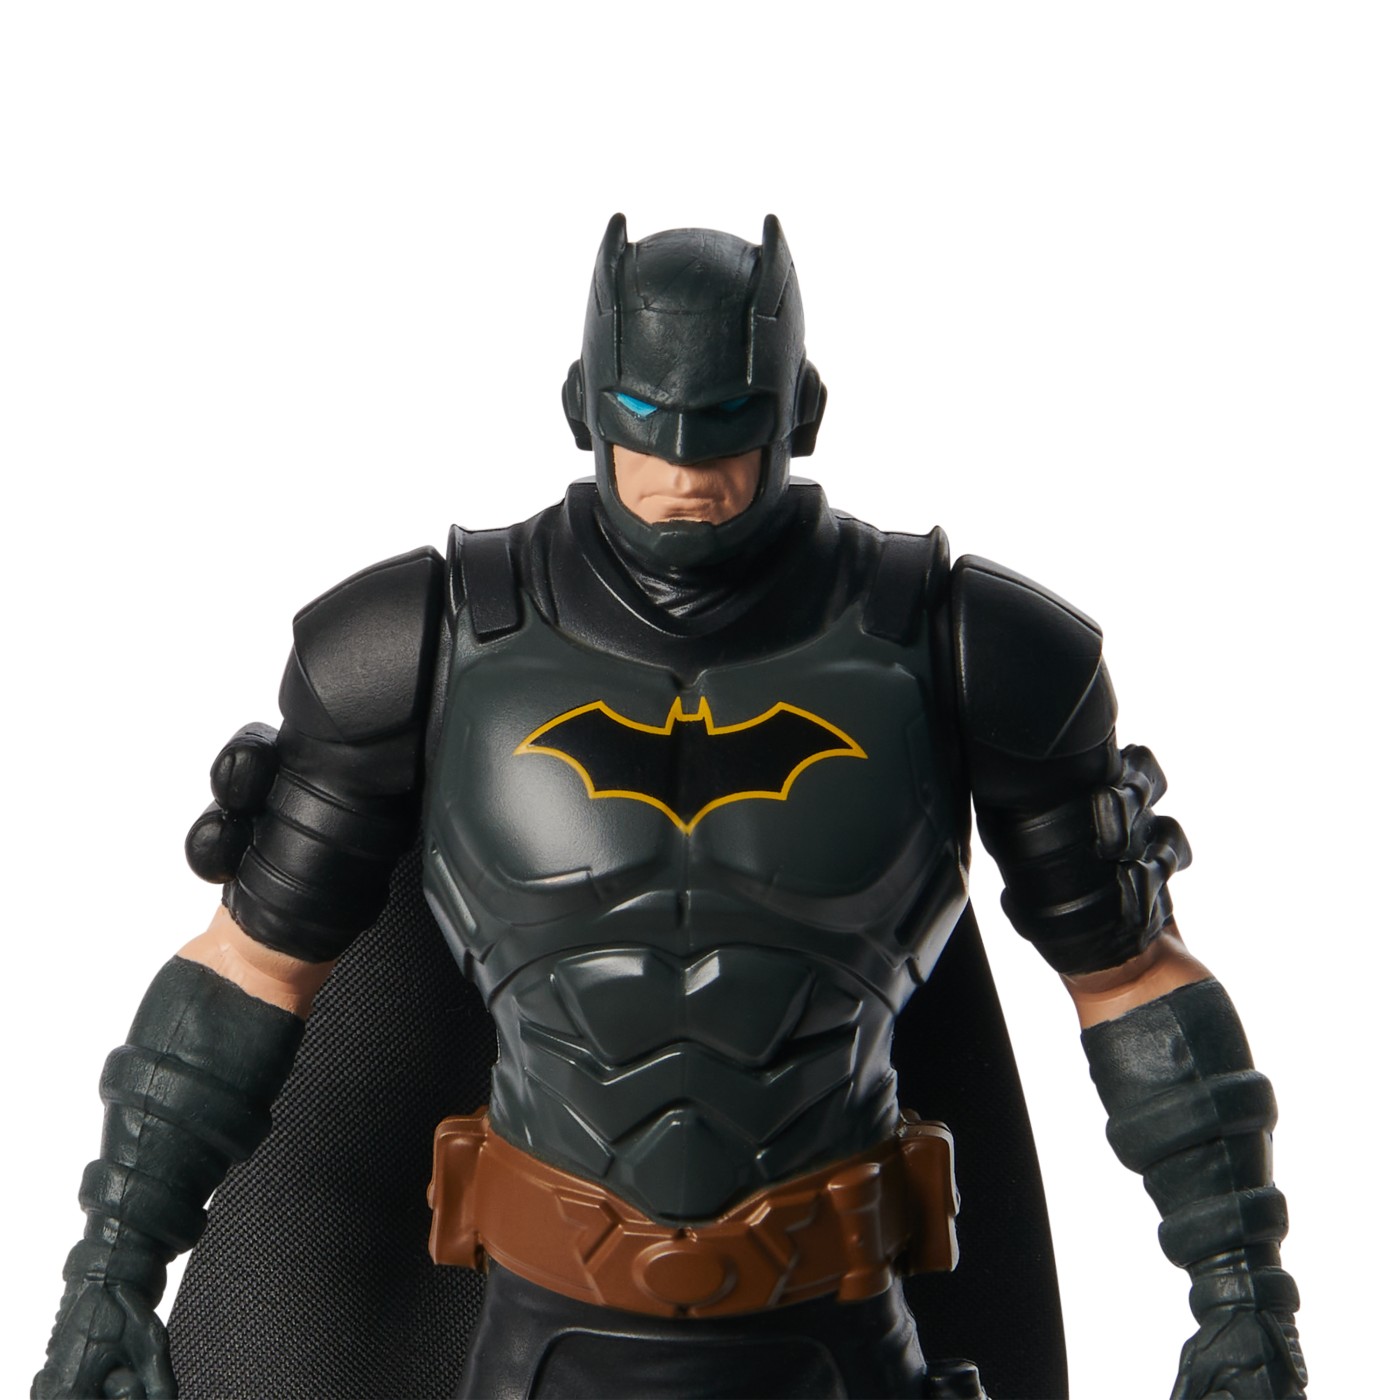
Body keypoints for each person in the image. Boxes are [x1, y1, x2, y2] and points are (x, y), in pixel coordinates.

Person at [35, 216, 1306, 1400]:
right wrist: (108, 1269)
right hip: (537, 1330)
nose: (684, 472)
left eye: (724, 428)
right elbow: (249, 968)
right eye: (647, 424)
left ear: (799, 411)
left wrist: (1240, 1295)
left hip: (840, 1324)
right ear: (583, 407)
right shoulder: (419, 645)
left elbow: (1128, 978)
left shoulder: (959, 647)